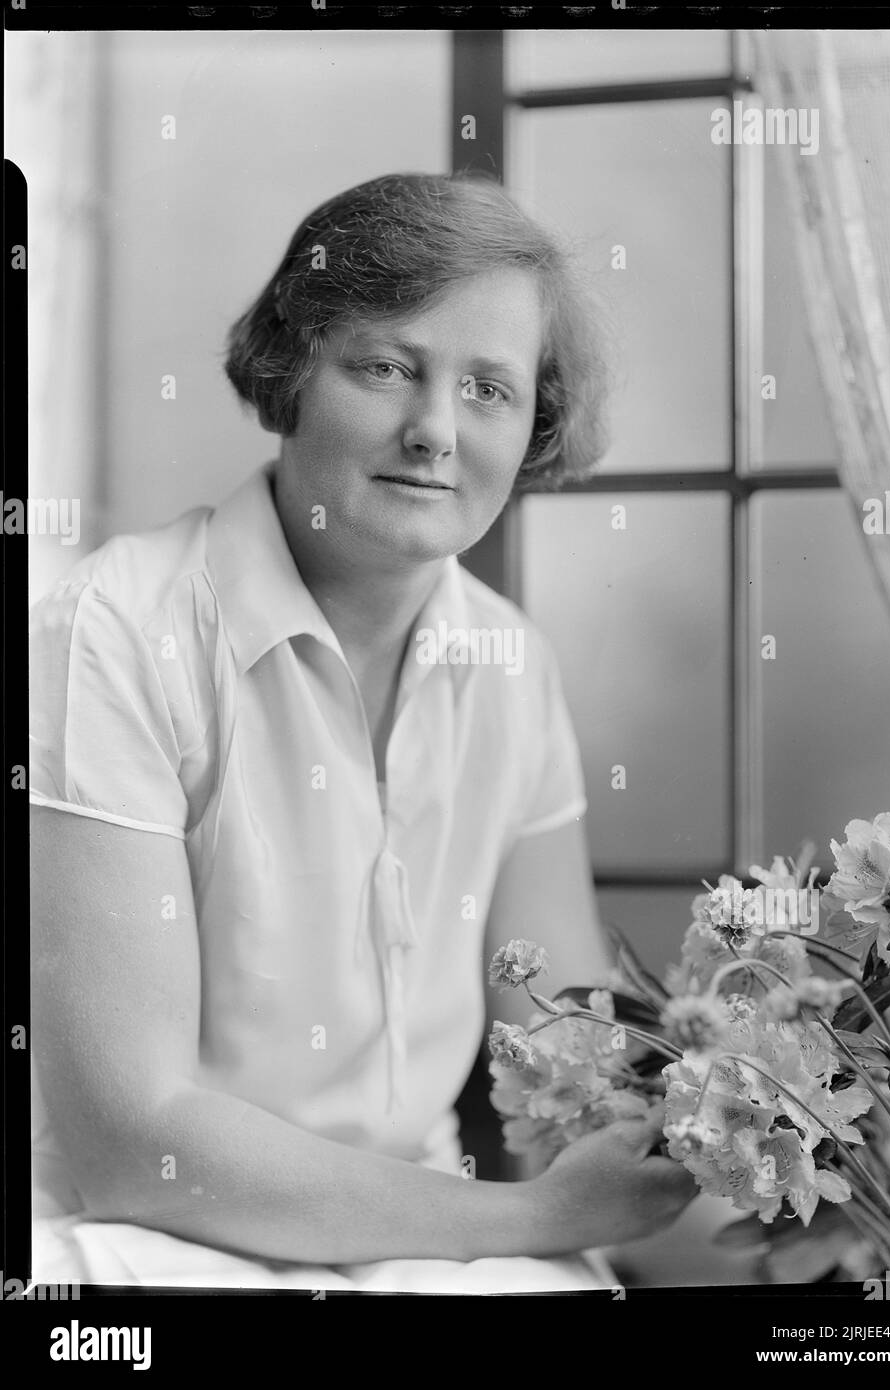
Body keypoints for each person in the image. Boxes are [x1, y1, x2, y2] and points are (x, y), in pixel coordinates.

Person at [29, 172, 695, 1293]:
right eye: (386, 367)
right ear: (290, 373)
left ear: (535, 424)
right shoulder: (112, 630)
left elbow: (562, 1079)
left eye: (487, 388)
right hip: (150, 1246)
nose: (433, 431)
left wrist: (783, 1179)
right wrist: (531, 1215)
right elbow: (130, 1142)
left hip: (428, 1248)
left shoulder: (511, 663)